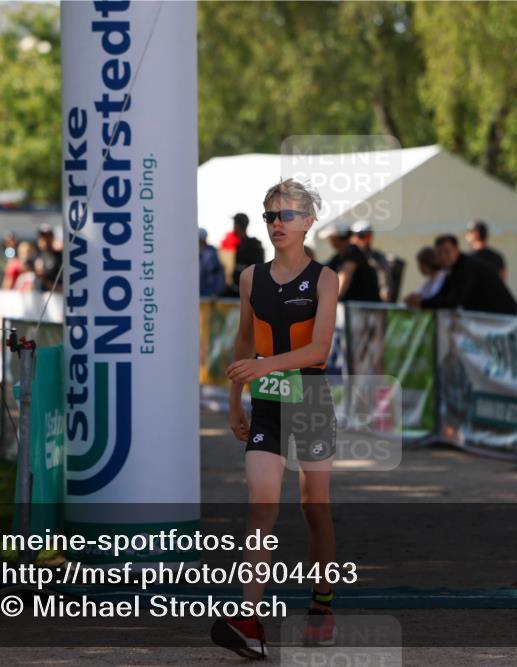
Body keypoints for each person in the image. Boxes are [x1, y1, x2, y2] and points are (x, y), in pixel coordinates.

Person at [213, 179, 339, 658]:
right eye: (270, 216)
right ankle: (249, 619)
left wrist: (265, 365)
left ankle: (322, 605)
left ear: (308, 222)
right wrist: (233, 398)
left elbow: (320, 347)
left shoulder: (326, 279)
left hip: (310, 401)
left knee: (314, 509)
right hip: (267, 403)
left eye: (287, 215)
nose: (277, 224)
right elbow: (245, 342)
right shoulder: (250, 278)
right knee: (260, 508)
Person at [405, 234, 517, 315]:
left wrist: (423, 303)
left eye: (447, 252)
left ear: (456, 251)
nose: (443, 257)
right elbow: (444, 294)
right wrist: (421, 301)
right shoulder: (452, 270)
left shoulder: (467, 267)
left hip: (504, 319)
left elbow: (453, 301)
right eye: (439, 253)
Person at [324, 224, 381, 302]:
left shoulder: (352, 253)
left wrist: (326, 303)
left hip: (364, 310)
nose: (329, 241)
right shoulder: (338, 257)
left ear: (336, 238)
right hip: (355, 309)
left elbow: (342, 282)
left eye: (330, 238)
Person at [350, 221, 397, 302]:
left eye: (364, 236)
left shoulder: (377, 258)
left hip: (370, 304)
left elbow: (385, 285)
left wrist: (385, 298)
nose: (360, 239)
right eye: (359, 236)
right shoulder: (347, 257)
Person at [232, 213, 265, 286]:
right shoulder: (240, 244)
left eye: (234, 224)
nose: (233, 227)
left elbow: (257, 270)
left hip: (247, 290)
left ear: (238, 226)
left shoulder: (253, 245)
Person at [34, 224, 62, 291]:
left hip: (57, 297)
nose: (45, 239)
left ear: (52, 237)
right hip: (37, 297)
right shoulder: (34, 256)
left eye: (48, 236)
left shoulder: (59, 256)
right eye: (42, 237)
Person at [198, 227, 225, 297]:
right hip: (202, 292)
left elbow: (215, 273)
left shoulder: (211, 253)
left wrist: (215, 291)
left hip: (208, 293)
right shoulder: (203, 252)